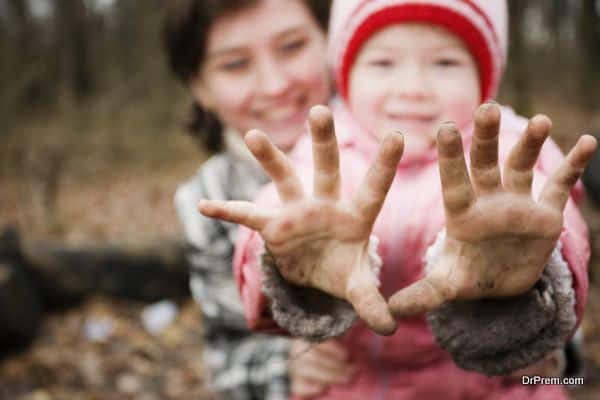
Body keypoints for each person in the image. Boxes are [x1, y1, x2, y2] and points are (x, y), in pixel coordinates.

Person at [198, 0, 597, 398]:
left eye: (445, 64)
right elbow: (284, 209)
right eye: (383, 64)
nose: (413, 88)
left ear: (485, 79)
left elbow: (553, 225)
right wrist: (284, 255)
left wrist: (539, 274)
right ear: (347, 75)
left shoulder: (511, 154)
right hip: (354, 384)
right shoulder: (329, 149)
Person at [164, 1, 357, 399]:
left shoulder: (410, 136)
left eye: (292, 47)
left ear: (331, 42)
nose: (274, 85)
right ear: (199, 87)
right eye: (235, 65)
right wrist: (281, 367)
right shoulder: (210, 202)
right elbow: (227, 357)